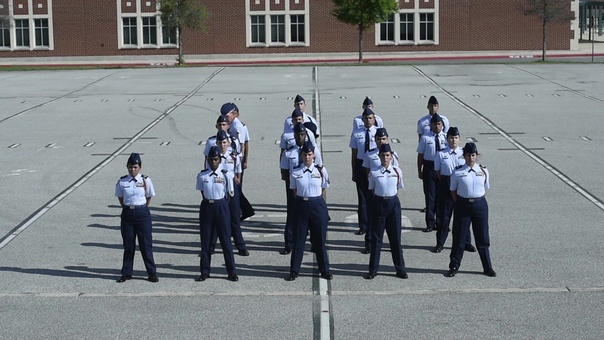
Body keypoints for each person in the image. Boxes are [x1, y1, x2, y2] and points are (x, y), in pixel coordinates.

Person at [446, 143, 496, 278]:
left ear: (476, 156)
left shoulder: (483, 170)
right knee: (459, 238)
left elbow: (485, 187)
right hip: (463, 205)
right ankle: (454, 266)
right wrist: (462, 202)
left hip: (480, 206)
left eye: (473, 155)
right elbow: (453, 191)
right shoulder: (457, 172)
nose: (471, 158)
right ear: (464, 156)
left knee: (483, 237)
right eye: (468, 155)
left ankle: (487, 267)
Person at [285, 142, 332, 281]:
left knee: (319, 240)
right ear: (301, 155)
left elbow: (324, 189)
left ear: (314, 155)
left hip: (317, 204)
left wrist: (322, 207)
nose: (307, 157)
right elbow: (294, 191)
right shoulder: (295, 171)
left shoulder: (321, 171)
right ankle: (294, 270)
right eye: (305, 154)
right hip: (301, 205)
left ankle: (324, 270)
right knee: (299, 240)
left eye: (309, 154)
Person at [195, 146, 239, 282]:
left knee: (226, 240)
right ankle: (205, 271)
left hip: (221, 206)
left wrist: (221, 205)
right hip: (207, 206)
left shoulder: (226, 174)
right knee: (206, 241)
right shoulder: (202, 175)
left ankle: (231, 271)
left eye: (215, 159)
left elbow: (230, 194)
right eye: (210, 159)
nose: (213, 162)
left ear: (219, 160)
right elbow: (202, 192)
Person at [364, 144, 408, 280]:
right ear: (379, 156)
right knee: (377, 239)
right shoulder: (374, 172)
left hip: (393, 204)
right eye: (382, 155)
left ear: (391, 156)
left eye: (387, 155)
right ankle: (373, 269)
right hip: (379, 204)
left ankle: (400, 269)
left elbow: (398, 187)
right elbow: (372, 189)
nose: (385, 158)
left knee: (395, 239)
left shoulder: (397, 171)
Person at [279, 122, 323, 255]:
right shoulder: (289, 153)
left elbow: (320, 168)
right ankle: (289, 243)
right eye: (298, 134)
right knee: (292, 214)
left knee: (313, 217)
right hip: (294, 186)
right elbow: (284, 172)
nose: (300, 137)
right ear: (294, 135)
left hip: (310, 187)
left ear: (306, 135)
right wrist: (293, 184)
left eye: (302, 134)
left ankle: (315, 243)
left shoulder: (313, 151)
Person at [114, 152, 158, 283]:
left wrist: (141, 207)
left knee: (146, 245)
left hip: (142, 213)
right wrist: (128, 208)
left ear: (140, 167)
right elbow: (121, 198)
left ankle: (151, 273)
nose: (132, 170)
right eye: (130, 167)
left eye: (135, 167)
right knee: (129, 245)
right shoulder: (122, 181)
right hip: (128, 213)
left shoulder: (145, 180)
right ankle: (126, 272)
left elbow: (149, 196)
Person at [433, 127, 475, 253]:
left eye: (456, 138)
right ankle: (440, 243)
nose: (453, 140)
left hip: (461, 187)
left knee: (463, 216)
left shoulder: (464, 153)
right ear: (447, 139)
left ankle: (466, 242)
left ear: (459, 139)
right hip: (446, 186)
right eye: (451, 138)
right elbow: (438, 172)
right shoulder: (441, 153)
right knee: (443, 217)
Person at [209, 130, 249, 257]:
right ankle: (211, 247)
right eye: (220, 142)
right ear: (216, 143)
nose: (222, 145)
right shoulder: (213, 157)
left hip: (231, 188)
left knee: (234, 218)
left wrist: (237, 179)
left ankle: (240, 246)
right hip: (218, 188)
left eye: (224, 142)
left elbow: (238, 171)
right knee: (216, 219)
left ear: (229, 143)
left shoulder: (233, 156)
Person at [359, 127, 398, 254]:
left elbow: (396, 173)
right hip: (374, 190)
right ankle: (369, 243)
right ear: (375, 140)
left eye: (383, 139)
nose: (381, 141)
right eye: (379, 139)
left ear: (387, 139)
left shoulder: (392, 154)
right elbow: (367, 172)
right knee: (372, 217)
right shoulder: (370, 154)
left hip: (388, 192)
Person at [220, 103, 255, 221]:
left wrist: (243, 161)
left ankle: (245, 210)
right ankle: (244, 210)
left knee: (235, 188)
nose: (225, 118)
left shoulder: (237, 127)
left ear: (234, 113)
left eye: (227, 115)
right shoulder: (233, 125)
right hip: (234, 161)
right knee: (235, 188)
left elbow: (242, 146)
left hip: (235, 162)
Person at [417, 113, 448, 233]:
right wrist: (419, 170)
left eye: (439, 124)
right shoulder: (425, 138)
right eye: (434, 124)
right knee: (430, 197)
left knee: (442, 198)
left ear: (442, 125)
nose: (436, 126)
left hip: (442, 169)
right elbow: (420, 155)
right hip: (429, 168)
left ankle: (441, 223)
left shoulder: (446, 137)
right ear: (431, 125)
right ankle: (430, 223)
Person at [349, 108, 377, 236]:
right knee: (362, 197)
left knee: (375, 196)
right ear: (362, 119)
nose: (368, 120)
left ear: (374, 119)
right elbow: (354, 153)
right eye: (366, 118)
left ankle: (374, 223)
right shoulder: (357, 133)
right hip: (360, 165)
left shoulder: (378, 133)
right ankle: (363, 225)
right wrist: (354, 170)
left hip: (374, 165)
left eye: (370, 118)